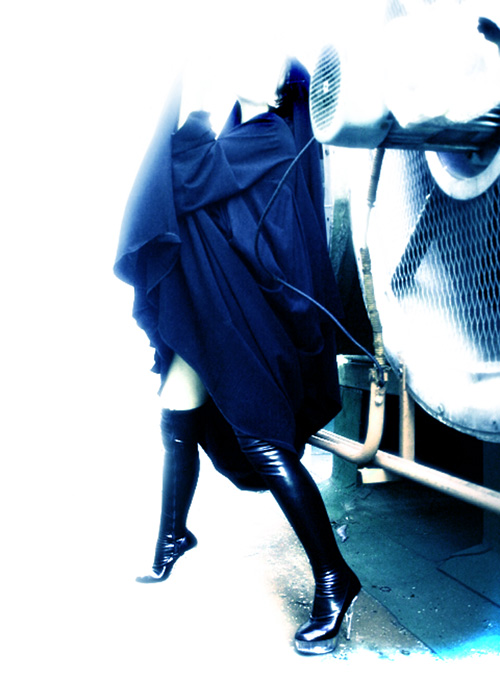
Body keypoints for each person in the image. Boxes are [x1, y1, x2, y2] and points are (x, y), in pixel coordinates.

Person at [114, 53, 360, 656]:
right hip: (218, 309)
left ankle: (335, 577)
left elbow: (184, 175)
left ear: (278, 85)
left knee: (262, 442)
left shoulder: (270, 137)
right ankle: (174, 535)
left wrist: (188, 106)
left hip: (253, 320)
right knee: (176, 410)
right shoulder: (237, 134)